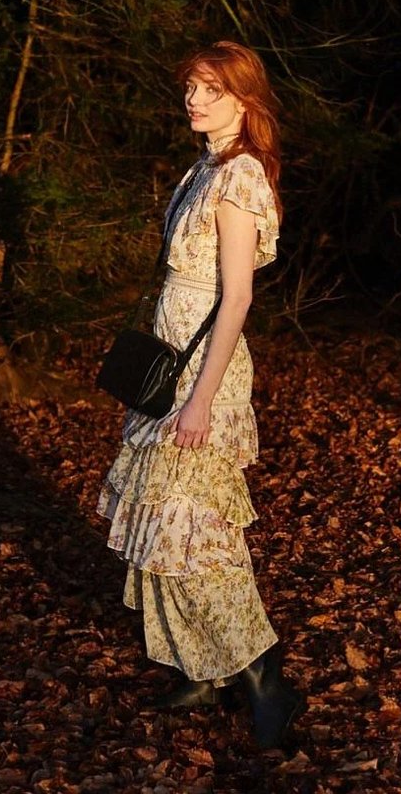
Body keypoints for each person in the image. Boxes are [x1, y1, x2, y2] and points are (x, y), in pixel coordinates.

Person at [97, 41, 302, 748]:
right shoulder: (201, 168)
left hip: (204, 372)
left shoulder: (240, 175)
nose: (193, 99)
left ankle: (264, 677)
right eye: (190, 86)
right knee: (159, 523)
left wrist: (200, 400)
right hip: (170, 357)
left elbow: (237, 296)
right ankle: (198, 667)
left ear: (244, 99)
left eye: (211, 89)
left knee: (196, 529)